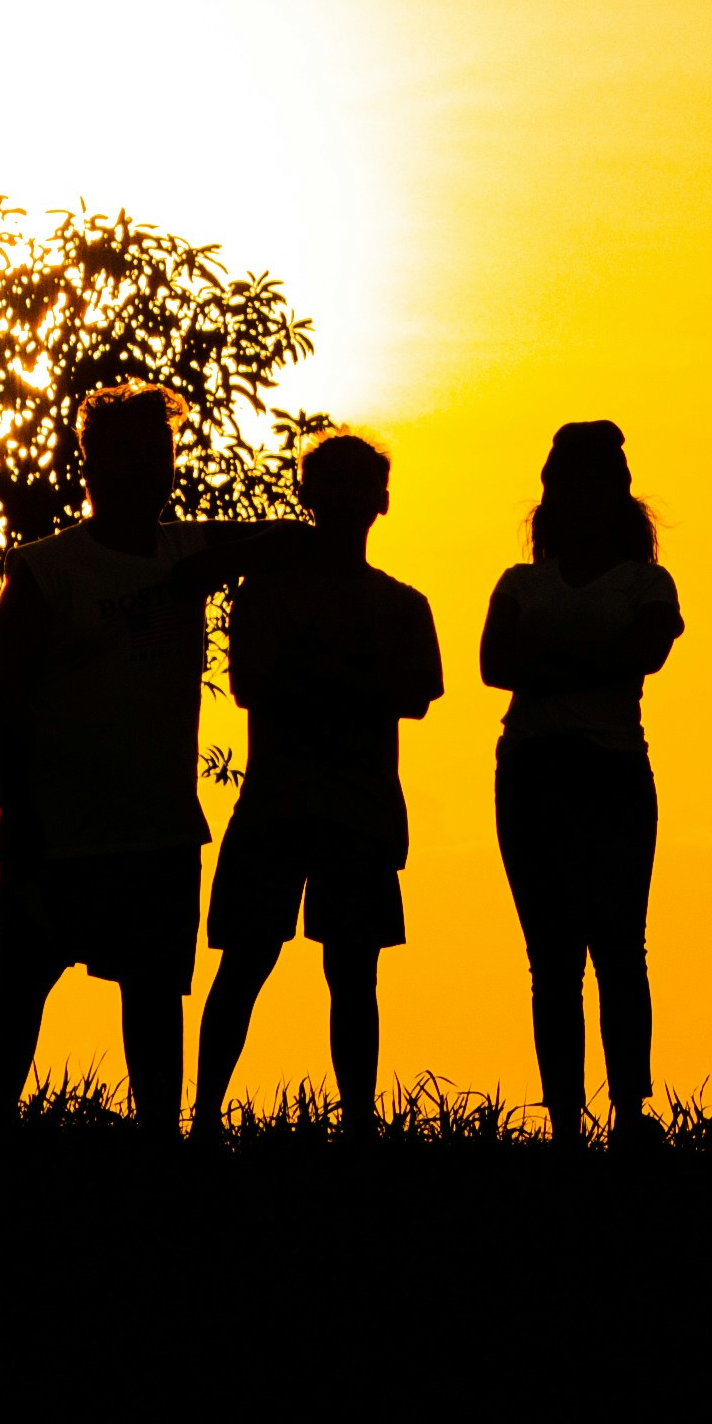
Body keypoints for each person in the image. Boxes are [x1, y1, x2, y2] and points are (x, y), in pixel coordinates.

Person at [0, 382, 297, 1133]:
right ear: (92, 463)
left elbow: (291, 535)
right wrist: (21, 828)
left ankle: (162, 1144)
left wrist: (203, 569)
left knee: (155, 1002)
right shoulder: (45, 569)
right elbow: (6, 709)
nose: (153, 469)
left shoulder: (189, 546)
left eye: (162, 453)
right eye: (134, 455)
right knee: (18, 988)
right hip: (58, 832)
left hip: (159, 829)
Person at [189, 432, 444, 1143]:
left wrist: (318, 675)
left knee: (352, 975)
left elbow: (418, 690)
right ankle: (204, 1114)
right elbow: (255, 685)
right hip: (280, 805)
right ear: (308, 495)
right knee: (246, 964)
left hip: (352, 810)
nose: (345, 500)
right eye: (332, 485)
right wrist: (362, 682)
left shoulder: (401, 604)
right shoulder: (268, 594)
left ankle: (356, 1122)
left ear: (381, 501)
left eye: (358, 487)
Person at [483, 417, 683, 1145]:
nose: (581, 495)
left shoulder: (647, 581)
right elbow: (495, 666)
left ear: (617, 492)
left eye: (595, 480)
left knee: (620, 947)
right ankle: (566, 1117)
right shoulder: (520, 581)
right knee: (553, 958)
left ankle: (630, 1109)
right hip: (533, 772)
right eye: (568, 481)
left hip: (610, 770)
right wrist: (596, 654)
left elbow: (649, 650)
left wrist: (551, 659)